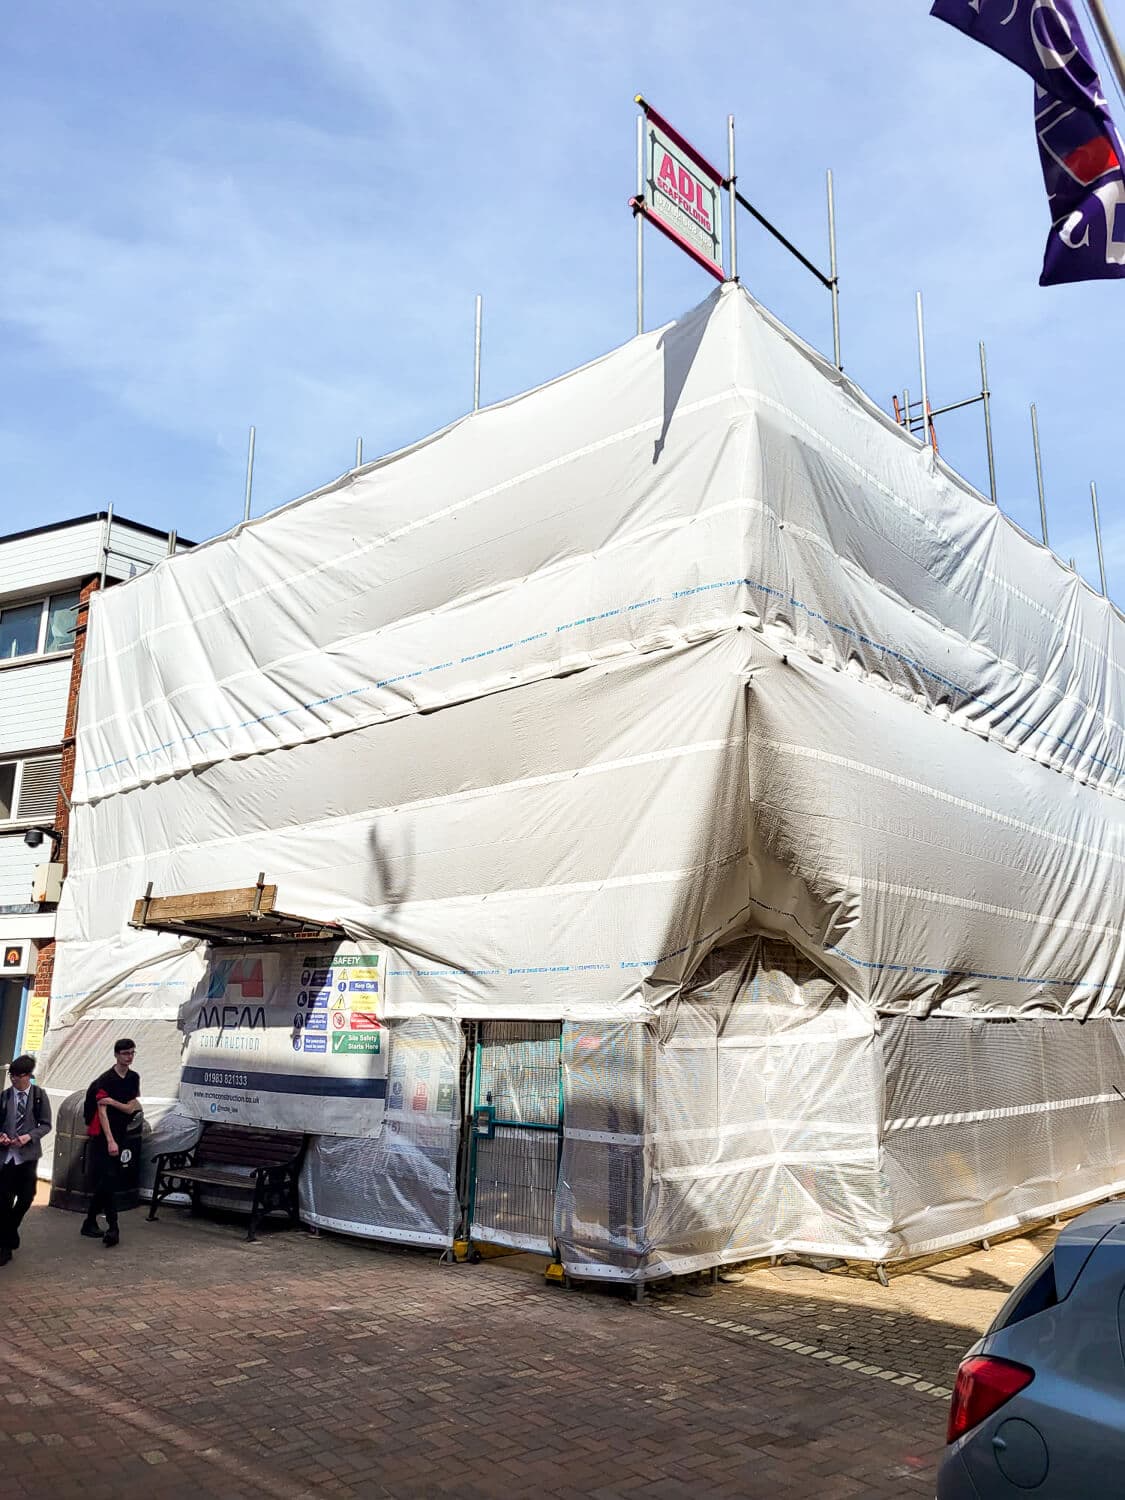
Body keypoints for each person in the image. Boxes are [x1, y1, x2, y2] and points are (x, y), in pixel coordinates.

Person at [81, 1038, 141, 1248]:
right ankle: (113, 1228)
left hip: (122, 1132)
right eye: (125, 1053)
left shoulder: (133, 1078)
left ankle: (89, 1222)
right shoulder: (105, 1080)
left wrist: (115, 1103)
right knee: (109, 1179)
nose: (129, 1057)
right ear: (116, 1055)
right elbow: (102, 1113)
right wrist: (110, 1141)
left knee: (108, 1181)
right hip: (104, 1137)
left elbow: (131, 1108)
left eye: (132, 1053)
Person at [0, 1055, 52, 1267]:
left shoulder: (39, 1096)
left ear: (28, 1076)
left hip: (28, 1156)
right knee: (3, 1200)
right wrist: (2, 1136)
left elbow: (46, 1124)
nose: (14, 1080)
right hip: (6, 1157)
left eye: (18, 1076)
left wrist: (29, 1136)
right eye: (11, 1076)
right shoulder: (4, 1097)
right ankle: (4, 1246)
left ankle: (10, 1231)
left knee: (27, 1197)